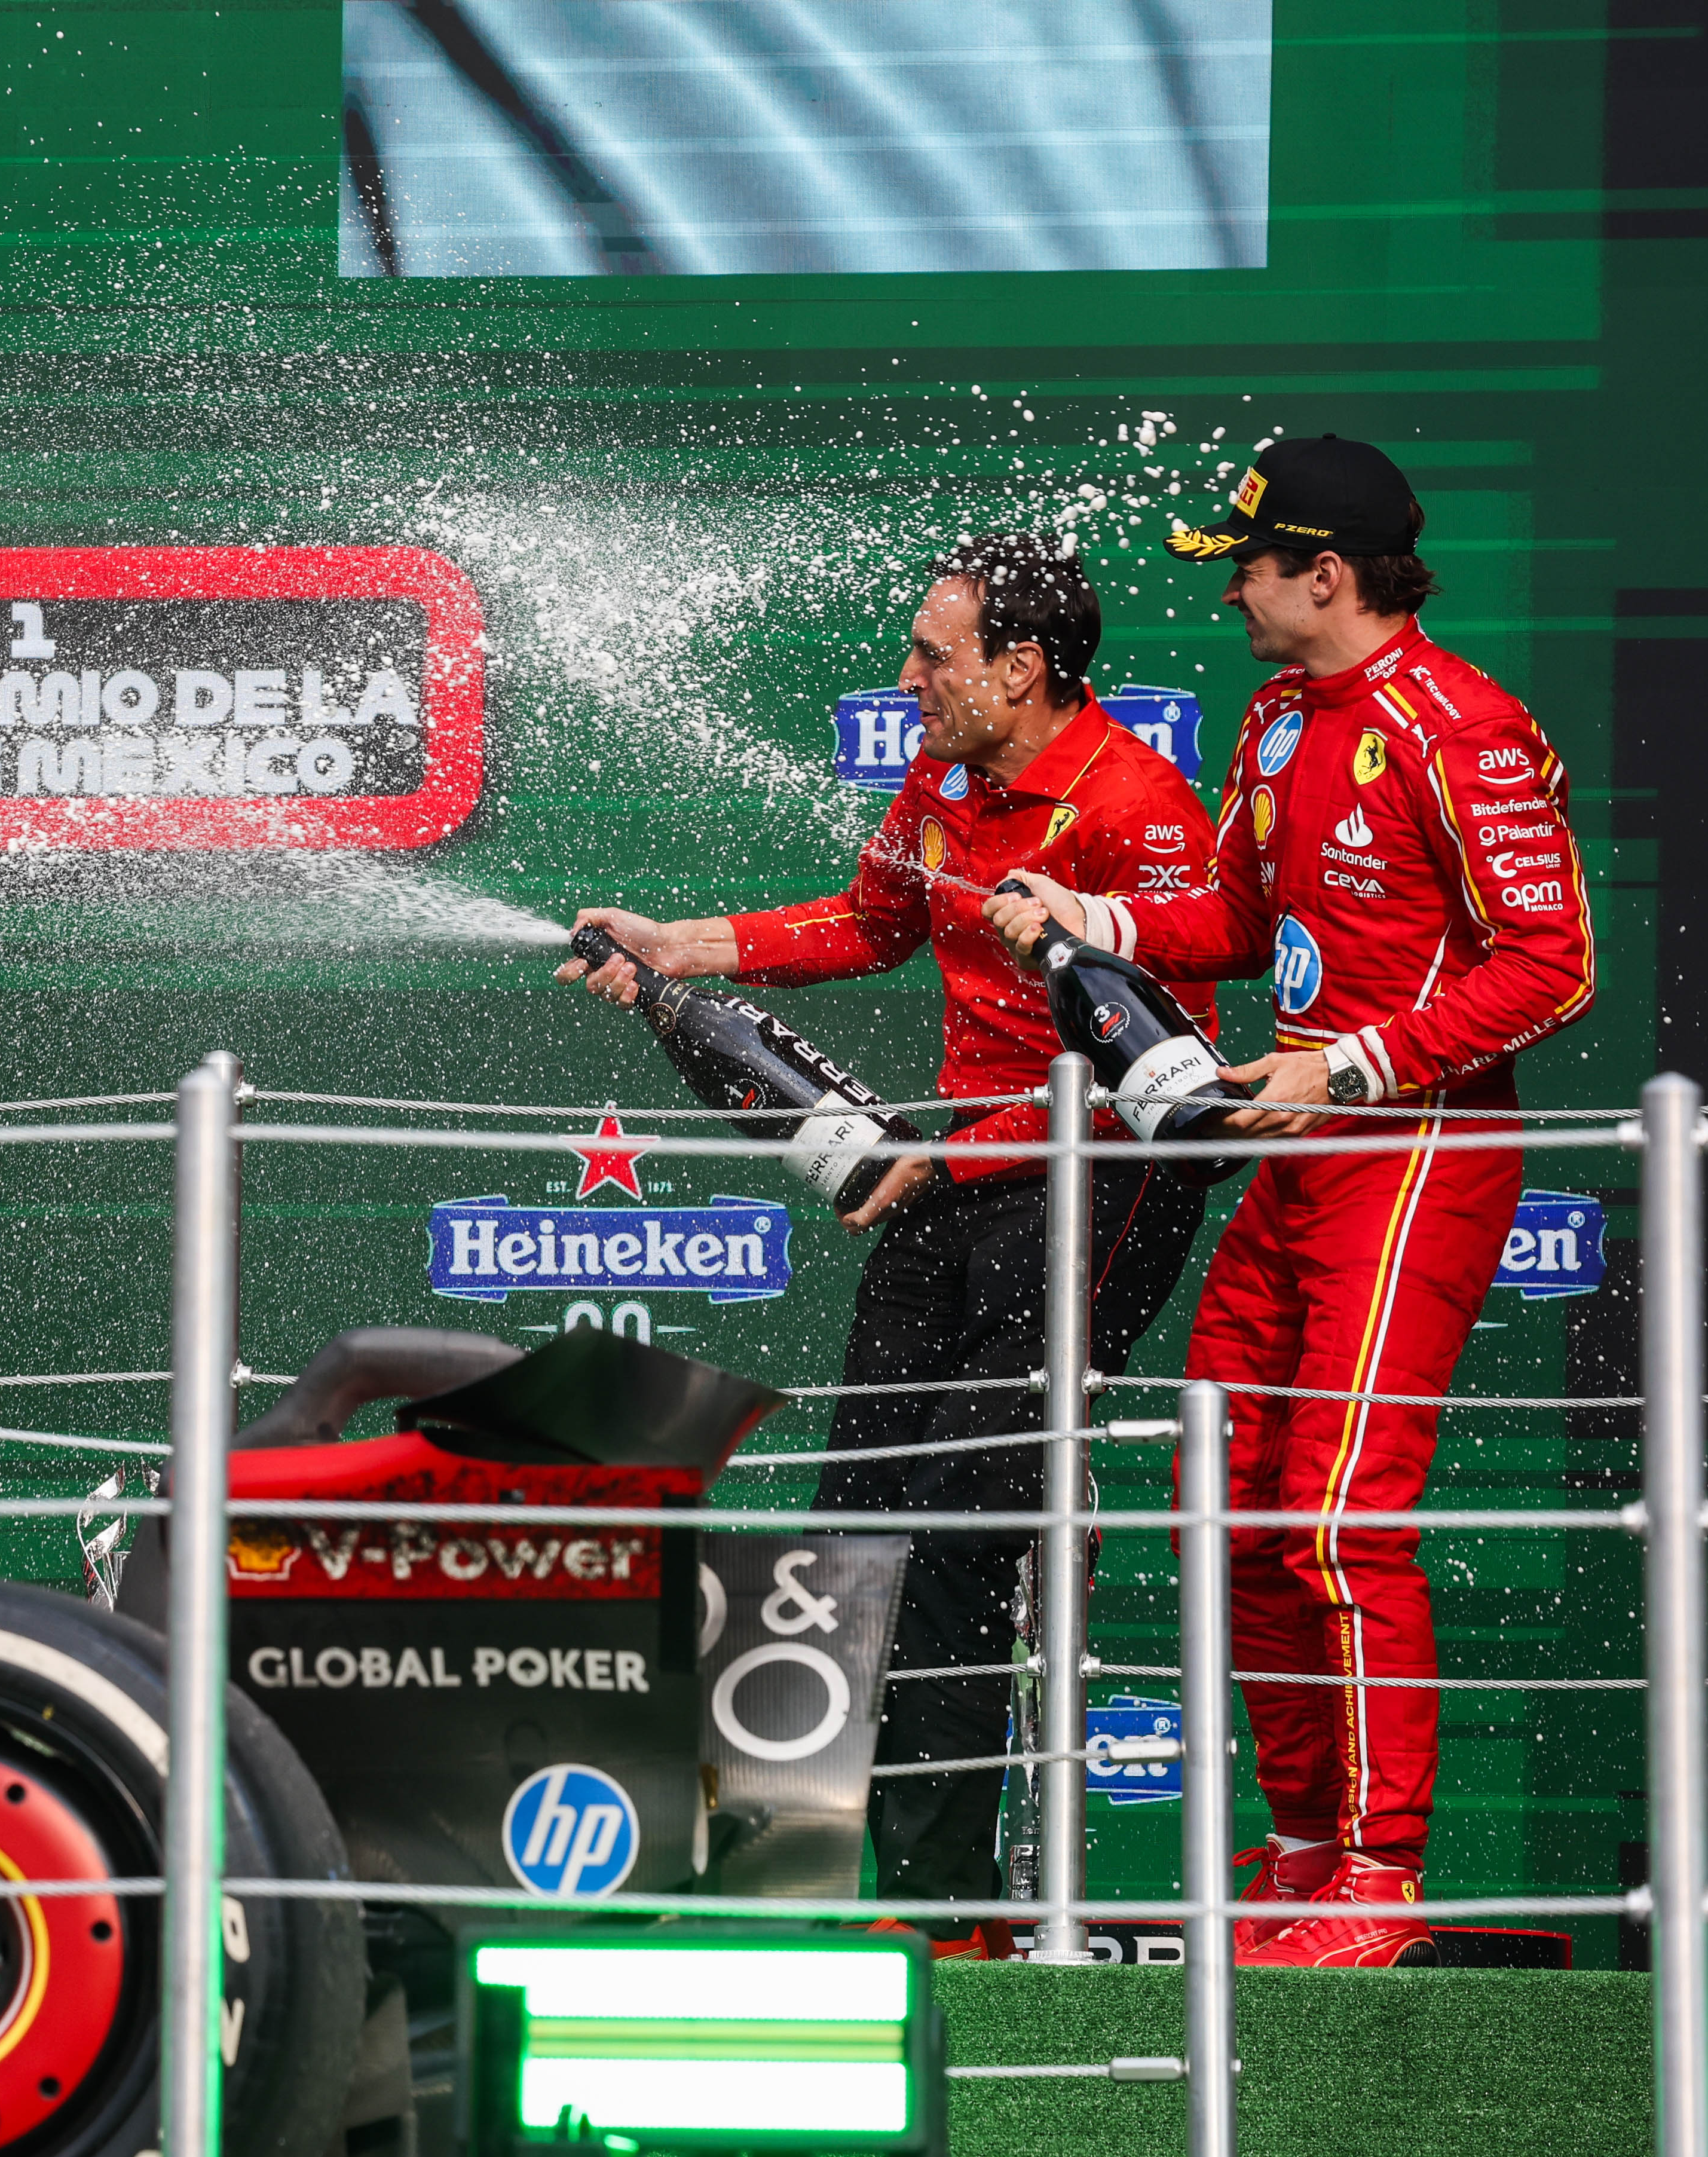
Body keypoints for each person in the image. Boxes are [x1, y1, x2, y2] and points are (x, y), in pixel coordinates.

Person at [990, 436, 1596, 1967]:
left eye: (1249, 567)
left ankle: (1381, 1880)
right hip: (1300, 1148)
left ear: (1326, 574)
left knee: (1334, 1518)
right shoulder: (1271, 718)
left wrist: (1354, 1069)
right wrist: (1097, 913)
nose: (1232, 593)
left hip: (1412, 1160)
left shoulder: (1462, 727)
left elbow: (1551, 965)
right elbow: (1244, 918)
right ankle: (1306, 1849)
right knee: (1233, 1508)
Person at [567, 534, 1220, 1941]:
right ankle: (828, 1891)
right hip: (957, 1172)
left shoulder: (1133, 804)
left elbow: (1164, 1081)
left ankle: (951, 1909)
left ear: (1018, 668)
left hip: (1095, 1184)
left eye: (933, 653)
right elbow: (871, 923)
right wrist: (681, 944)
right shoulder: (939, 777)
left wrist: (956, 1154)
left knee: (960, 1525)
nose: (906, 675)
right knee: (854, 1524)